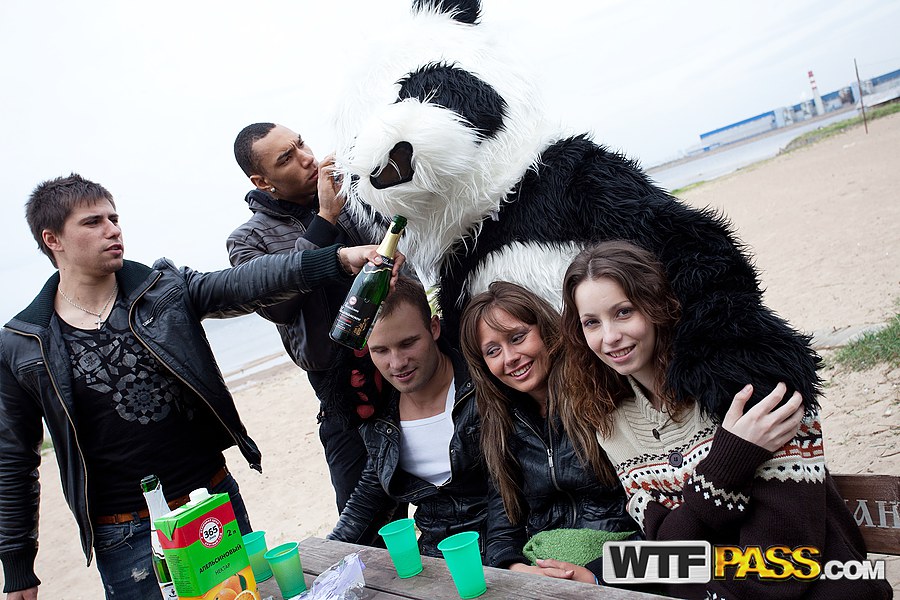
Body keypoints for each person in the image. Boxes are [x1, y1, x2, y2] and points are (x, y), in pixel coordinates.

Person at [0, 174, 402, 600]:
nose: (112, 229)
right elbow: (12, 460)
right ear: (53, 239)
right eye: (93, 221)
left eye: (114, 217)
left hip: (210, 502)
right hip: (125, 533)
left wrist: (335, 260)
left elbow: (246, 281)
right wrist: (18, 567)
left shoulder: (164, 289)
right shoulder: (25, 344)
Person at [556, 240, 891, 598]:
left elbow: (784, 566)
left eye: (624, 312)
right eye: (592, 322)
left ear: (657, 306)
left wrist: (664, 560)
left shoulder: (751, 389)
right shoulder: (611, 422)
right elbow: (665, 548)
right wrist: (727, 465)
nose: (609, 337)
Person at [228, 122, 379, 513]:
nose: (307, 158)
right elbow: (276, 306)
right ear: (263, 181)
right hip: (338, 387)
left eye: (301, 144)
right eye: (287, 158)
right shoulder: (247, 240)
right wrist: (326, 219)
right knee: (360, 516)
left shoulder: (353, 197)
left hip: (400, 358)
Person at [458, 281, 637, 581]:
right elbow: (503, 529)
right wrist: (518, 571)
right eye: (492, 351)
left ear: (545, 329)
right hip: (543, 573)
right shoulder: (500, 423)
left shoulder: (604, 391)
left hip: (618, 570)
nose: (509, 357)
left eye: (518, 337)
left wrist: (594, 577)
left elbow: (666, 536)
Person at [328, 277, 489, 558]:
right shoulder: (379, 413)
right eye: (381, 350)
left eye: (408, 343)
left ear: (434, 328)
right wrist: (325, 553)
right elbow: (369, 497)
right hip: (434, 556)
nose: (397, 363)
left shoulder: (484, 384)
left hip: (508, 546)